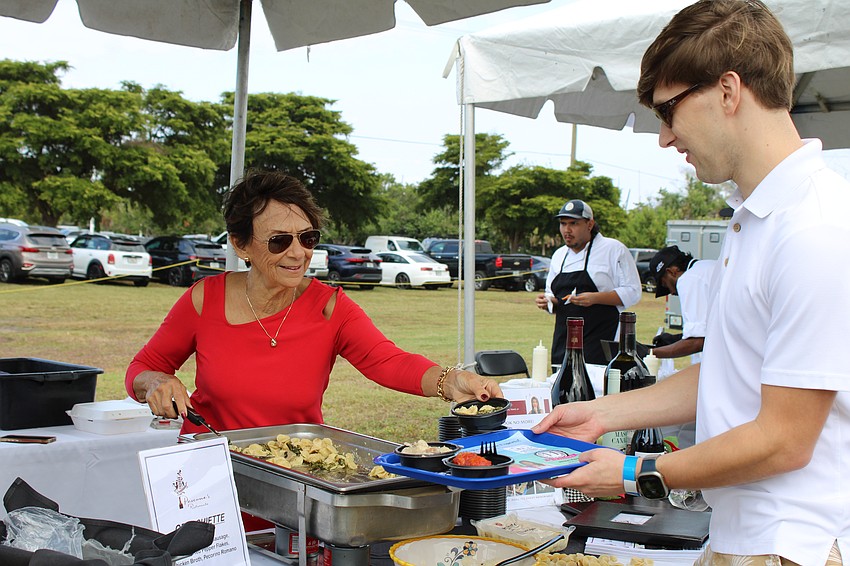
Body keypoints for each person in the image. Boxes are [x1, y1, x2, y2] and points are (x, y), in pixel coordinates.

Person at [534, 1, 850, 563]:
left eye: (669, 111)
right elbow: (731, 373)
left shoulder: (814, 227)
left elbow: (785, 439)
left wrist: (634, 472)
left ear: (728, 91)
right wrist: (605, 415)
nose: (663, 137)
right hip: (746, 535)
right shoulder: (757, 218)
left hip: (791, 543)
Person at [126, 170, 502, 435]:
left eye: (307, 238)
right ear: (240, 245)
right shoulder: (204, 299)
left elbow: (387, 361)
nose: (297, 253)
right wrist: (158, 381)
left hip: (295, 471)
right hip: (208, 472)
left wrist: (449, 381)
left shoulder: (331, 307)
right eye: (279, 241)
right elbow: (143, 368)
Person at [535, 199, 641, 366]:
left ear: (590, 224)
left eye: (573, 223)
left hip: (601, 339)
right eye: (563, 224)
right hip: (564, 341)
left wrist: (595, 298)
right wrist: (548, 302)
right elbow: (554, 297)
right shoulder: (559, 255)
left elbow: (633, 291)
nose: (567, 230)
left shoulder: (613, 249)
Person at [648, 245, 717, 360]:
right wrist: (676, 340)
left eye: (666, 285)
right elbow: (709, 332)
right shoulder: (705, 267)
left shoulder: (689, 279)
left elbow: (697, 342)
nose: (671, 292)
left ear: (672, 271)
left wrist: (649, 353)